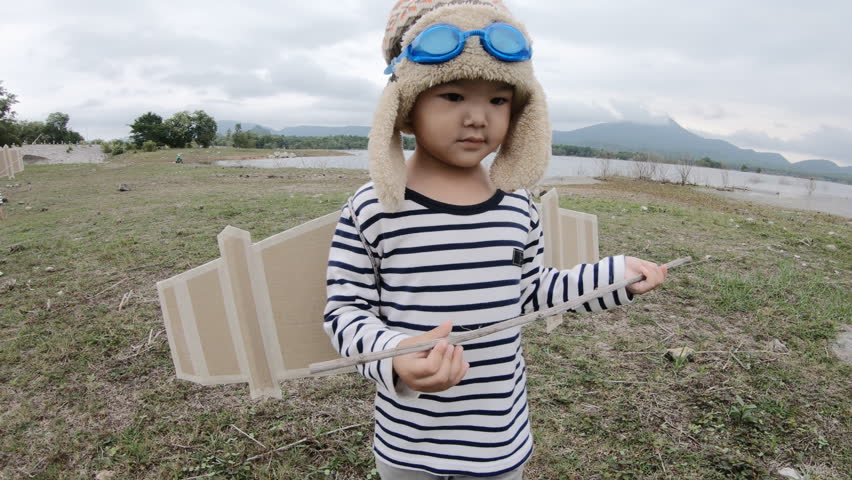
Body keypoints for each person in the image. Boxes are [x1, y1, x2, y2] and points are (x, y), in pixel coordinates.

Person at [323, 1, 667, 478]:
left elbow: (532, 293)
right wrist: (395, 357)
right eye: (453, 95)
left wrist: (615, 278)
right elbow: (345, 313)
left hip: (496, 443)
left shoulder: (516, 206)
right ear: (406, 104)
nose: (478, 118)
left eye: (498, 100)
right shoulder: (375, 207)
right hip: (407, 443)